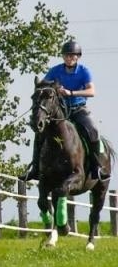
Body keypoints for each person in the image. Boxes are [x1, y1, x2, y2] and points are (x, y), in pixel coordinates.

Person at [25, 39, 103, 183]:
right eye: (67, 55)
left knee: (93, 130)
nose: (69, 58)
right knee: (40, 133)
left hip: (78, 109)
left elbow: (92, 91)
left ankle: (96, 166)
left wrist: (71, 93)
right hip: (60, 111)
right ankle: (35, 168)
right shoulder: (55, 70)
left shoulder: (84, 71)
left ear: (78, 57)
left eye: (72, 55)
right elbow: (44, 86)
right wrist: (50, 90)